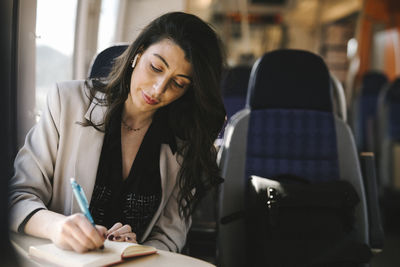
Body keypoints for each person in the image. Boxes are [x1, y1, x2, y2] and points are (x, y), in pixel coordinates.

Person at [9, 12, 226, 253]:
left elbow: (169, 236)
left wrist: (136, 250)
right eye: (155, 67)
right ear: (138, 53)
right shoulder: (66, 102)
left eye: (178, 83)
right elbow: (17, 196)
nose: (158, 89)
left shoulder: (186, 143)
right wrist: (57, 227)